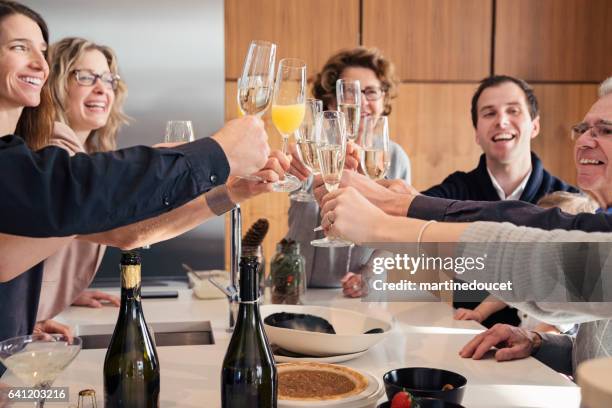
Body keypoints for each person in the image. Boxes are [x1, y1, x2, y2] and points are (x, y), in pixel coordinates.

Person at [0, 0, 279, 367]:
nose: (40, 63)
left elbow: (126, 233)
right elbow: (80, 194)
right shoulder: (49, 163)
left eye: (42, 51)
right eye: (19, 47)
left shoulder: (27, 163)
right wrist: (215, 154)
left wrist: (227, 192)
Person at [421, 75, 579, 327]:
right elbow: (408, 214)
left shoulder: (572, 203)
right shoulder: (456, 189)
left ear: (534, 125)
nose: (501, 121)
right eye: (489, 113)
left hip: (546, 351)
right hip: (464, 340)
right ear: (476, 133)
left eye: (513, 111)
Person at [286, 47, 411, 296]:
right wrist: (287, 170)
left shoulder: (394, 158)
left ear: (383, 99)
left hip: (356, 296)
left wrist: (370, 275)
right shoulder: (310, 148)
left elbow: (397, 234)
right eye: (351, 92)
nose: (363, 102)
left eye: (371, 92)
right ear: (332, 100)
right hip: (296, 289)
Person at [454, 191, 597, 333]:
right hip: (521, 338)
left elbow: (551, 329)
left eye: (550, 232)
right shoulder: (532, 269)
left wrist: (528, 339)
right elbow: (503, 294)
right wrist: (479, 314)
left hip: (545, 347)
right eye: (535, 228)